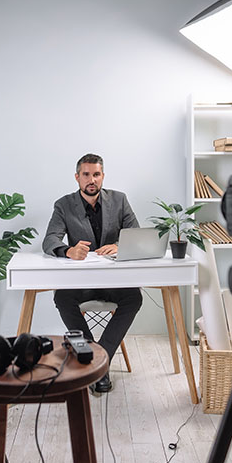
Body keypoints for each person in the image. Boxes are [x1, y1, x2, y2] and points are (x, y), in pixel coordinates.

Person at [42, 153, 142, 392]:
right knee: (62, 297)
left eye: (96, 174)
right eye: (86, 174)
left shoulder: (119, 200)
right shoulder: (64, 205)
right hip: (82, 279)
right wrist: (68, 251)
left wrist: (120, 246)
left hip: (112, 279)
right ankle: (94, 358)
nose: (91, 180)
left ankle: (98, 361)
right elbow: (49, 240)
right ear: (77, 177)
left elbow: (136, 234)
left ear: (102, 176)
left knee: (134, 298)